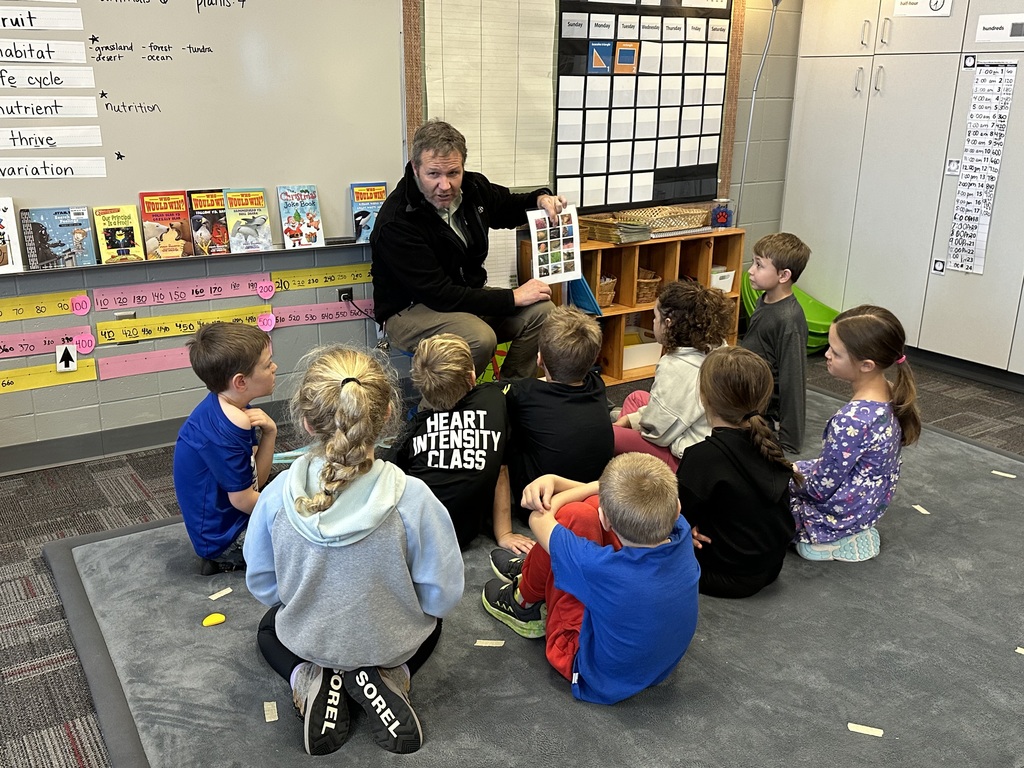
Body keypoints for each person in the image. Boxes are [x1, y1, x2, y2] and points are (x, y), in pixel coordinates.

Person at [244, 344, 464, 756]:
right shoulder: (412, 498)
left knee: (267, 629)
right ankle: (390, 676)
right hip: (388, 642)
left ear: (307, 423)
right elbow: (443, 595)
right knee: (435, 627)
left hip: (309, 641)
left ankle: (308, 681)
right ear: (385, 417)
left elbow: (263, 585)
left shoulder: (275, 496)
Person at [482, 453, 700, 705]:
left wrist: (553, 481)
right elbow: (608, 501)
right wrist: (596, 492)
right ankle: (539, 571)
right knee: (588, 507)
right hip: (655, 666)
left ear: (604, 519)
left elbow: (539, 517)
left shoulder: (599, 569)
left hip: (586, 668)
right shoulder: (681, 531)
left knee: (571, 514)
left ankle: (524, 601)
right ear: (677, 509)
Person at [371, 119, 567, 379]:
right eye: (434, 174)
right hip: (409, 309)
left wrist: (541, 198)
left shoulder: (473, 189)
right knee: (479, 337)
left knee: (543, 312)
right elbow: (439, 294)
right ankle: (444, 410)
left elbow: (508, 206)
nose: (445, 185)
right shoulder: (397, 221)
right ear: (416, 169)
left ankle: (512, 397)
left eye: (453, 173)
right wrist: (513, 298)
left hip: (466, 297)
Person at [791, 305, 921, 562]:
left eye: (836, 353)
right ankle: (848, 531)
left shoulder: (852, 420)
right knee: (792, 470)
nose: (826, 354)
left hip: (844, 509)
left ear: (866, 365)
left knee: (766, 496)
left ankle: (830, 538)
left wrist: (784, 477)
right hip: (869, 504)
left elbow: (818, 490)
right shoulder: (890, 392)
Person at [677, 346, 802, 598]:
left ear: (704, 397)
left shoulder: (701, 457)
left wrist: (683, 530)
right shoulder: (768, 443)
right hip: (769, 567)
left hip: (726, 576)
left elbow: (673, 519)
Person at [392, 333, 533, 553]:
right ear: (472, 377)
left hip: (415, 538)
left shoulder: (415, 428)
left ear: (421, 387)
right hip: (464, 534)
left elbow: (397, 478)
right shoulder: (494, 400)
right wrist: (504, 534)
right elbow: (501, 472)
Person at [173, 322, 277, 576]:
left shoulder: (237, 407)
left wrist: (270, 433)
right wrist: (296, 518)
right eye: (267, 364)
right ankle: (222, 559)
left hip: (232, 517)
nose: (274, 367)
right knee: (309, 539)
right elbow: (243, 500)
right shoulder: (229, 424)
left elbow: (256, 481)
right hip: (223, 540)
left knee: (291, 486)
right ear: (240, 381)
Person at [502, 305, 614, 525]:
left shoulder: (522, 392)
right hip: (594, 495)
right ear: (591, 360)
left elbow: (498, 393)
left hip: (542, 503)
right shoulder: (597, 384)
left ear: (540, 359)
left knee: (507, 427)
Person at [612, 280, 732, 471]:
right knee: (635, 398)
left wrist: (628, 426)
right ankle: (630, 468)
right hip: (708, 440)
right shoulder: (718, 347)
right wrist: (631, 421)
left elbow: (658, 434)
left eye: (655, 317)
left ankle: (634, 474)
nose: (653, 322)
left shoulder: (675, 366)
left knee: (610, 436)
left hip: (687, 461)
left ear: (668, 323)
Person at [741, 233, 811, 453]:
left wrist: (790, 441)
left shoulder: (789, 319)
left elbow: (793, 378)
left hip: (761, 402)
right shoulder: (765, 298)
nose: (751, 270)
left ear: (783, 275)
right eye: (753, 262)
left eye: (759, 265)